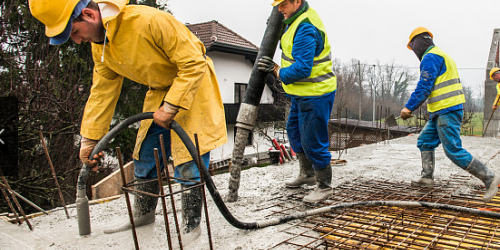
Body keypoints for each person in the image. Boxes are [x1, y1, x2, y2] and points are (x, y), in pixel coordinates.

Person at [29, 0, 227, 244]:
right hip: (160, 92)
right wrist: (90, 139)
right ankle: (143, 214)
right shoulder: (101, 47)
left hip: (193, 87)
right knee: (145, 155)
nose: (77, 41)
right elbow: (102, 92)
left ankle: (190, 225)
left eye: (75, 32)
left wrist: (172, 105)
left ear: (89, 15)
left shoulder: (148, 21)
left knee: (188, 160)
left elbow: (193, 63)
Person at [402, 27, 500, 202]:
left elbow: (425, 85)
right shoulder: (441, 54)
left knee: (453, 150)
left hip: (447, 110)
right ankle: (427, 178)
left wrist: (409, 107)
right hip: (440, 111)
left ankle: (490, 178)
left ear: (417, 43)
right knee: (424, 141)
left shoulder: (431, 57)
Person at [258, 0, 336, 203]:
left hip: (315, 93)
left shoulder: (305, 27)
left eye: (283, 4)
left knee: (313, 141)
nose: (279, 9)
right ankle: (307, 174)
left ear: (297, 2)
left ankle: (324, 186)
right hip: (300, 94)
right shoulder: (296, 19)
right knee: (294, 132)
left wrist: (276, 71)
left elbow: (302, 69)